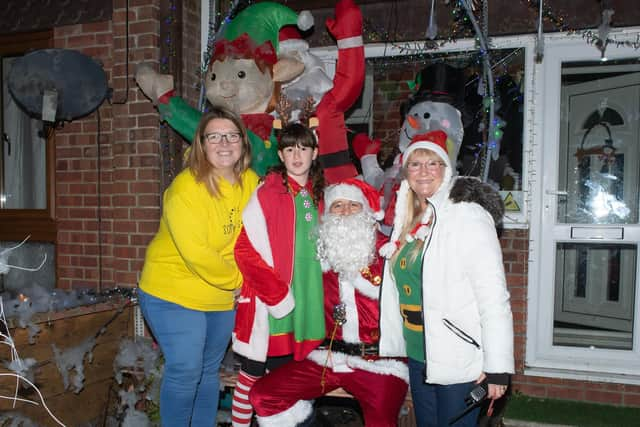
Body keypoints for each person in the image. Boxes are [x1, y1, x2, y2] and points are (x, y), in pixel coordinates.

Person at [377, 130, 514, 427]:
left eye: (432, 163)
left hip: (458, 357)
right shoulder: (409, 217)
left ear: (446, 169)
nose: (423, 171)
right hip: (419, 354)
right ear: (406, 172)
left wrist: (497, 366)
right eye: (415, 164)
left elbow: (494, 296)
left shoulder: (467, 215)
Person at [249, 178, 410, 427]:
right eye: (338, 206)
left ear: (367, 212)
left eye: (353, 205)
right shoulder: (317, 253)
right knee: (264, 396)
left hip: (378, 362)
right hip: (326, 357)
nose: (345, 211)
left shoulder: (387, 252)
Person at [137, 106, 259, 427]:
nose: (223, 143)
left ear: (243, 143)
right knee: (186, 368)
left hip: (221, 297)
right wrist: (240, 281)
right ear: (202, 144)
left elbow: (265, 230)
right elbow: (197, 253)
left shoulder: (251, 183)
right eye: (214, 136)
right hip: (173, 290)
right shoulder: (185, 189)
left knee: (208, 369)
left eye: (231, 135)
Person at [231, 123, 326, 427]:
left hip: (309, 303)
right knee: (253, 376)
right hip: (275, 304)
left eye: (303, 147)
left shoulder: (320, 194)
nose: (296, 155)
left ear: (315, 152)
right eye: (289, 148)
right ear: (281, 155)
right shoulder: (268, 191)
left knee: (292, 381)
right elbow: (244, 250)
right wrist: (277, 296)